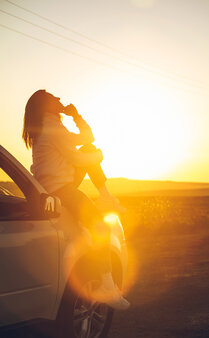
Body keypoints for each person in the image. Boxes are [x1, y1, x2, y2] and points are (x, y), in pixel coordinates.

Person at [22, 89, 129, 310]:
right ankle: (108, 288)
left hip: (59, 183)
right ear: (46, 105)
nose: (59, 99)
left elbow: (87, 139)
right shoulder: (52, 128)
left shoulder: (50, 125)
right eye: (54, 98)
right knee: (101, 226)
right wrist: (99, 156)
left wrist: (76, 117)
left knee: (89, 149)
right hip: (59, 189)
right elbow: (77, 159)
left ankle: (107, 198)